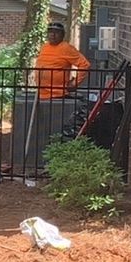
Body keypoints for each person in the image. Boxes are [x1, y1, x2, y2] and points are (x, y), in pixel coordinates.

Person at [22, 21, 90, 177]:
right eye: (50, 32)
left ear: (62, 35)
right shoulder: (45, 47)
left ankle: (55, 162)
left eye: (56, 32)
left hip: (57, 95)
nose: (52, 35)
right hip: (42, 94)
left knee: (55, 133)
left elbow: (84, 64)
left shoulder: (66, 48)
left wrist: (75, 83)